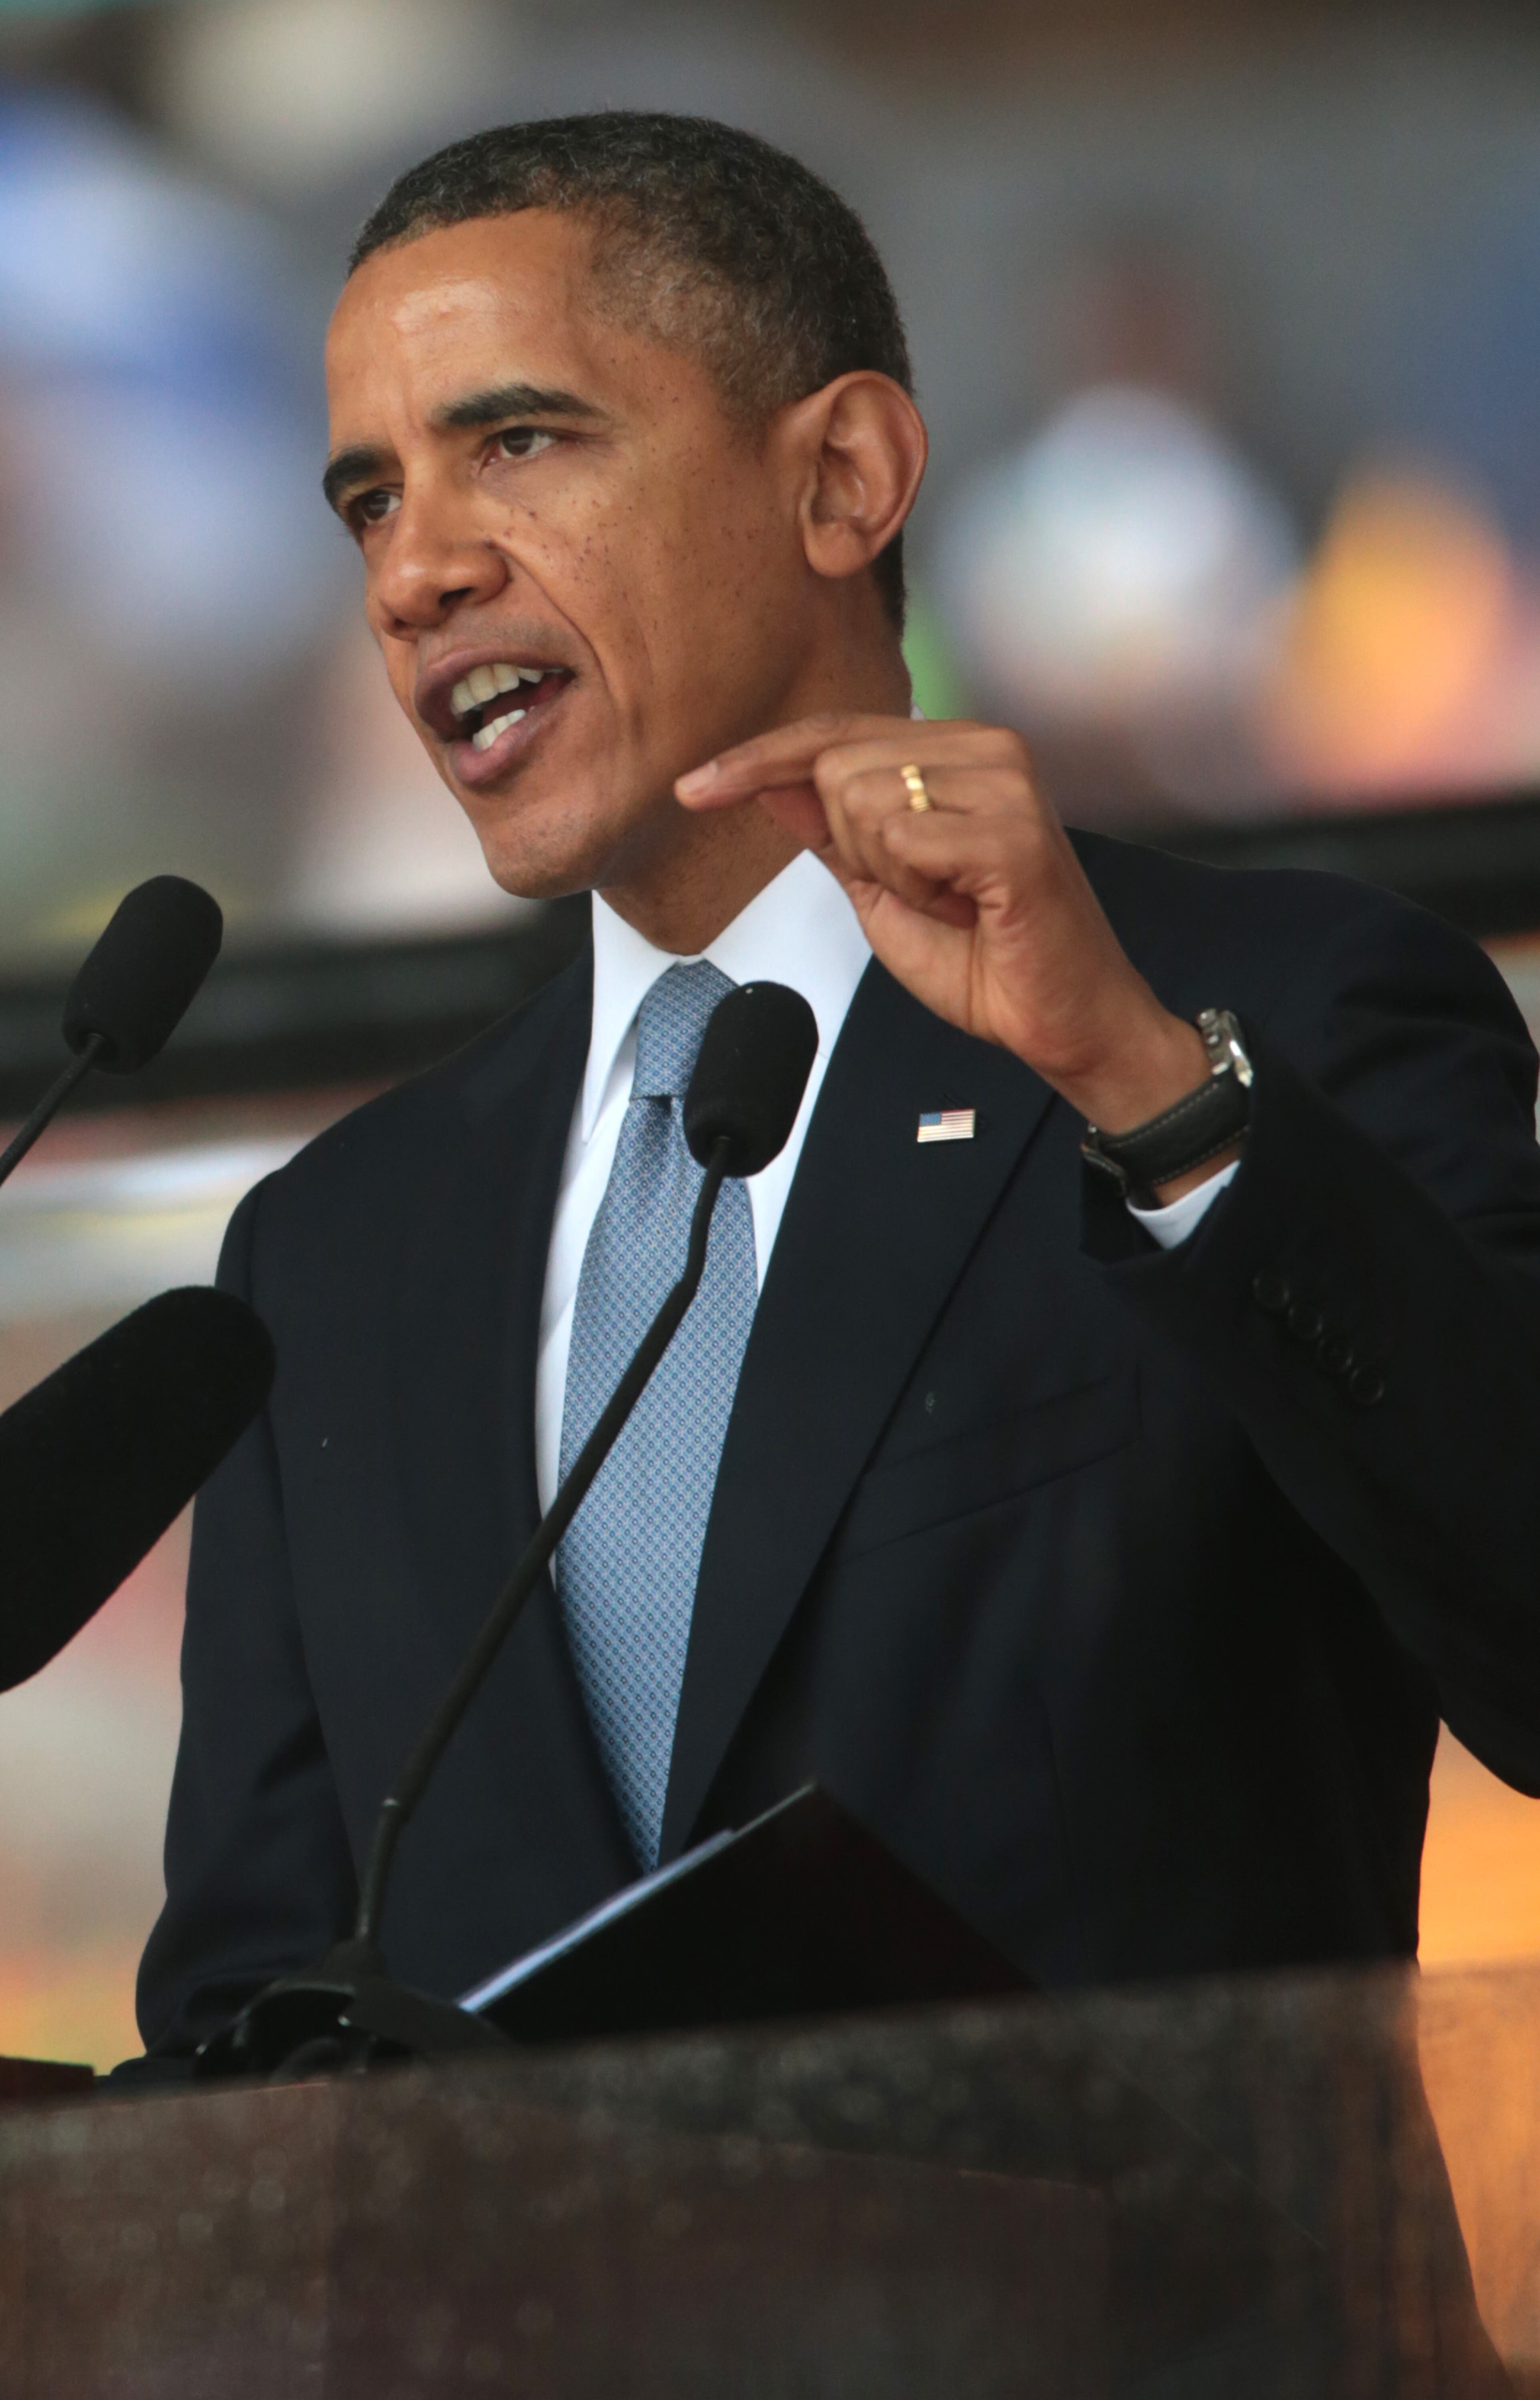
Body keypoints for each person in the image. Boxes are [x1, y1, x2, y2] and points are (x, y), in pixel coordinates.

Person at [135, 112, 1540, 2063]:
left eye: (516, 444)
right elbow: (247, 2005)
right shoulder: (329, 1249)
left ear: (845, 477)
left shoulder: (1260, 1021)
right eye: (369, 499)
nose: (416, 570)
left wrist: (1142, 1086)